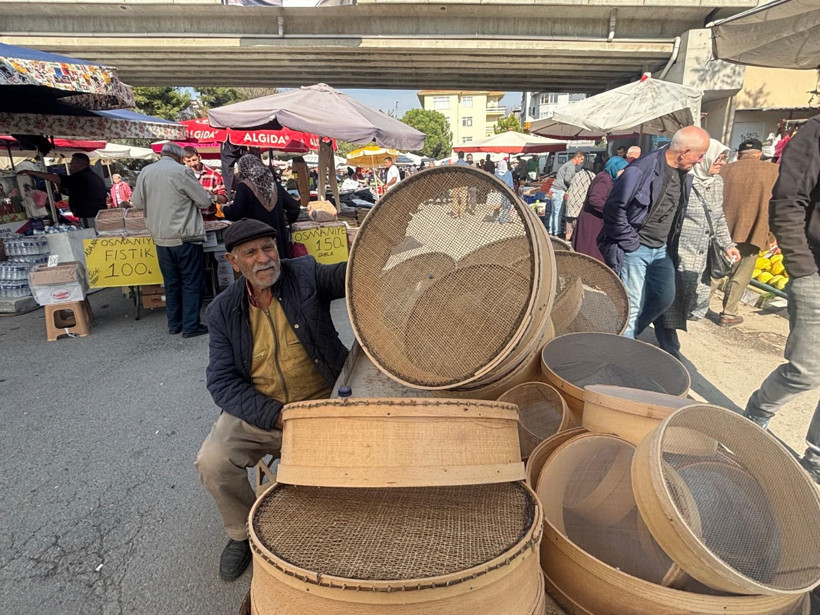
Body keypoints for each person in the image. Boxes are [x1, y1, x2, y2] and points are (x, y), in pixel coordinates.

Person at [195, 218, 348, 580]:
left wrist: (379, 247)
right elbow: (221, 381)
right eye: (251, 253)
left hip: (323, 405)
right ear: (234, 262)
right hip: (267, 413)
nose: (264, 259)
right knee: (213, 461)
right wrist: (275, 415)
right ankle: (241, 534)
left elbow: (349, 275)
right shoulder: (222, 310)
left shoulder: (306, 274)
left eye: (269, 247)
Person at [741, 115, 820, 484]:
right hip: (814, 271)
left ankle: (817, 455)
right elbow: (788, 201)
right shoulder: (816, 130)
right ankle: (757, 412)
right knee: (805, 370)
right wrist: (802, 268)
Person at [598, 126, 710, 338]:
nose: (700, 161)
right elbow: (613, 208)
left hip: (661, 250)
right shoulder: (641, 169)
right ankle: (621, 354)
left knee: (664, 298)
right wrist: (631, 242)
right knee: (630, 307)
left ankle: (627, 333)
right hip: (636, 248)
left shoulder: (684, 174)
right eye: (700, 155)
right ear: (685, 151)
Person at [653, 140, 740, 358]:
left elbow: (717, 216)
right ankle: (669, 347)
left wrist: (727, 244)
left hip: (703, 252)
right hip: (679, 249)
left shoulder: (716, 182)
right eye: (718, 158)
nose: (721, 163)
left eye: (723, 159)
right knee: (671, 300)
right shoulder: (683, 179)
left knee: (689, 300)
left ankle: (658, 332)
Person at [131, 142, 213, 338]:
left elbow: (137, 203)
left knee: (171, 282)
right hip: (184, 235)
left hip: (160, 237)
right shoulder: (181, 172)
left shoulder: (146, 171)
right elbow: (204, 201)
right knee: (191, 281)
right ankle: (191, 325)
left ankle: (174, 324)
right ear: (179, 157)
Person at [713, 138, 780, 326]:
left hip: (722, 229)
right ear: (759, 154)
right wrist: (774, 235)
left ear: (739, 154)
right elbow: (779, 204)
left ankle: (694, 307)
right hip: (755, 230)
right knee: (741, 274)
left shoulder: (725, 170)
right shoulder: (774, 172)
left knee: (714, 271)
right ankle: (728, 313)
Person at [221, 154, 301, 261]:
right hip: (278, 238)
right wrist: (288, 220)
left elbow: (236, 213)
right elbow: (294, 207)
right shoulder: (274, 185)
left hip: (254, 239)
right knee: (281, 268)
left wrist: (223, 208)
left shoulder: (244, 186)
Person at [18, 152, 106, 228]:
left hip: (90, 216)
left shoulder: (82, 177)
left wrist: (32, 172)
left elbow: (58, 179)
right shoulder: (92, 176)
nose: (70, 164)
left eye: (72, 162)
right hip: (96, 215)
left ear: (78, 162)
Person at [573, 156, 627, 261]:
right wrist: (611, 209)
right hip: (592, 222)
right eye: (622, 170)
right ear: (614, 168)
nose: (623, 173)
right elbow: (595, 199)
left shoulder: (608, 178)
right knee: (590, 253)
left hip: (595, 220)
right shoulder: (604, 178)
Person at [183, 146, 227, 221]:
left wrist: (212, 196)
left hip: (208, 220)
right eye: (188, 161)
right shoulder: (182, 176)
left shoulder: (214, 175)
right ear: (184, 161)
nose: (192, 164)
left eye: (194, 160)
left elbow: (224, 199)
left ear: (199, 157)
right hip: (188, 221)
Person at [550, 151, 585, 236]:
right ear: (577, 157)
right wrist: (574, 185)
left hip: (554, 189)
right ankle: (557, 232)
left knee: (554, 212)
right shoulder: (570, 166)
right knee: (558, 212)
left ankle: (551, 230)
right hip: (559, 190)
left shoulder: (567, 164)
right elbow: (567, 179)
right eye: (581, 159)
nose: (582, 162)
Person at [563, 159, 596, 241]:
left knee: (569, 225)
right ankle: (576, 244)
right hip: (580, 204)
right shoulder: (592, 176)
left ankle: (567, 242)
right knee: (578, 227)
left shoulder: (576, 174)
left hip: (570, 203)